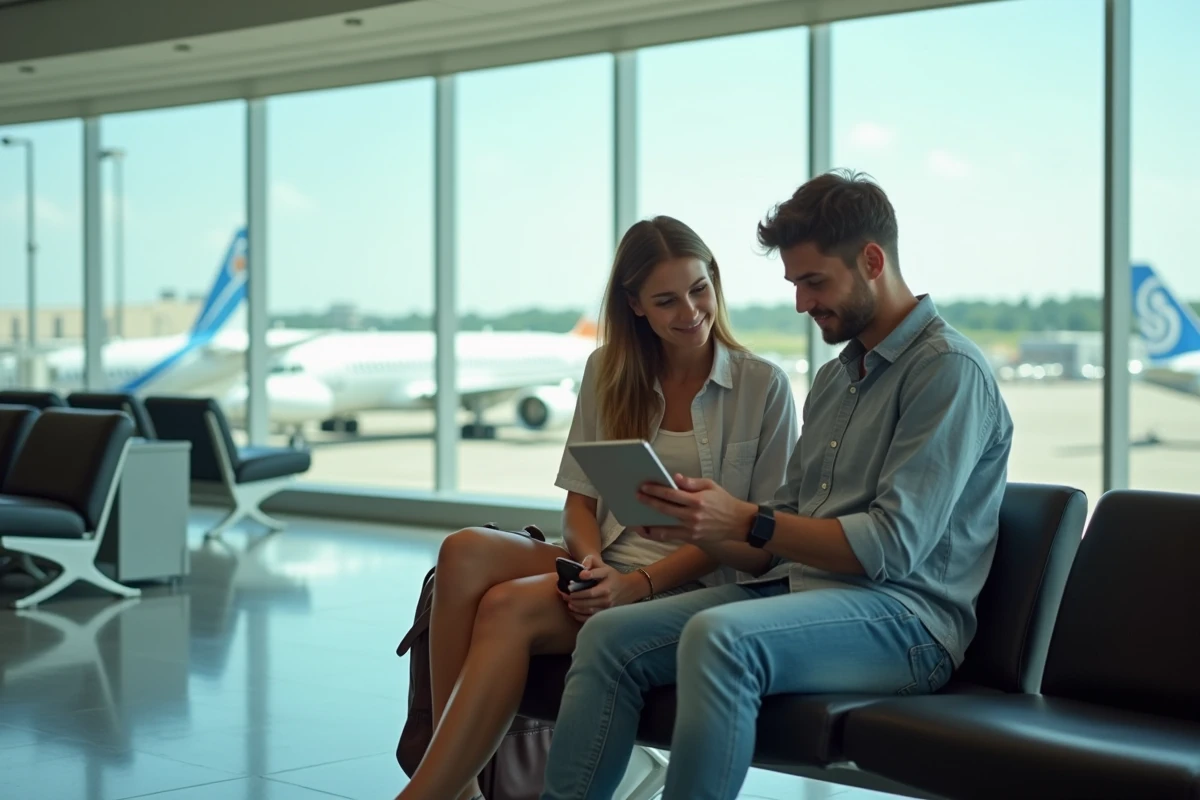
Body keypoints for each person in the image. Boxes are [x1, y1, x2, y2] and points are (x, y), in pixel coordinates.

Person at [538, 170, 1015, 800]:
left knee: (720, 639)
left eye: (814, 282)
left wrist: (745, 520)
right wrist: (698, 522)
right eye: (794, 284)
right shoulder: (834, 379)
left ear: (872, 261)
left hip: (907, 622)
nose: (801, 303)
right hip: (797, 592)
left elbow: (892, 547)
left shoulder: (947, 372)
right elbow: (775, 539)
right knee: (607, 638)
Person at [396, 215, 799, 800]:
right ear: (635, 305)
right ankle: (459, 789)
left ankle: (432, 793)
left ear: (715, 281)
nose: (689, 311)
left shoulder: (764, 386)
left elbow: (760, 544)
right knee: (462, 549)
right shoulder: (608, 372)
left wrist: (638, 583)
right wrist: (591, 568)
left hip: (699, 582)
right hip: (607, 564)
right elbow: (580, 504)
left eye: (699, 289)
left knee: (508, 607)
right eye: (666, 300)